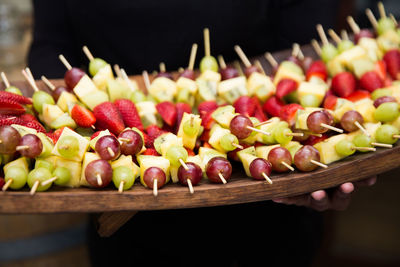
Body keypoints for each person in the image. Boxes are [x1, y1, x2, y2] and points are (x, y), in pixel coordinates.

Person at [28, 1, 377, 266]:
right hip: (121, 200)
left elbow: (303, 44)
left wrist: (322, 147)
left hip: (267, 206)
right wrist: (67, 120)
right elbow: (50, 44)